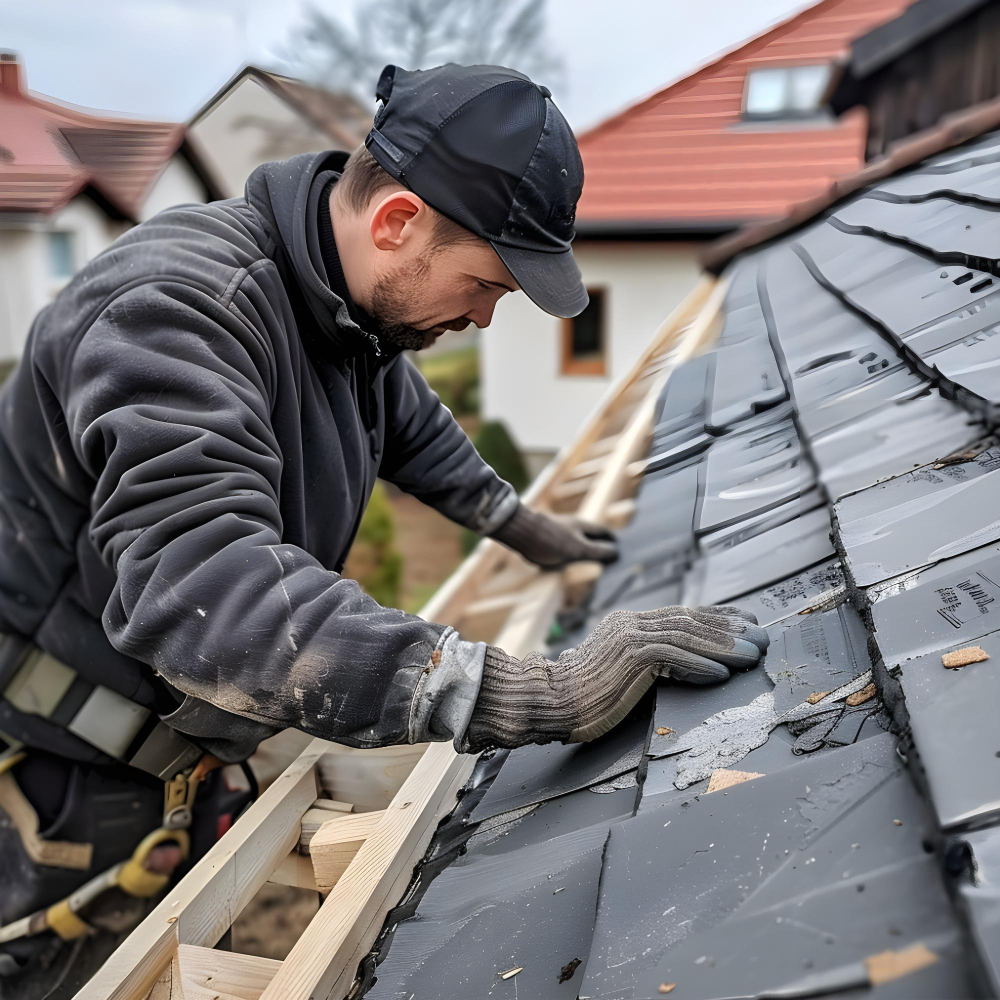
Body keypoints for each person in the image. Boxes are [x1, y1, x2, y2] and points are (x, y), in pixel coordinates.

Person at [0, 63, 767, 995]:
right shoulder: (174, 312)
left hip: (183, 737)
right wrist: (533, 693)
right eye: (486, 283)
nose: (485, 316)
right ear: (398, 220)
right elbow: (204, 595)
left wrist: (524, 528)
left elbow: (407, 424)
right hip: (64, 772)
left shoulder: (344, 305)